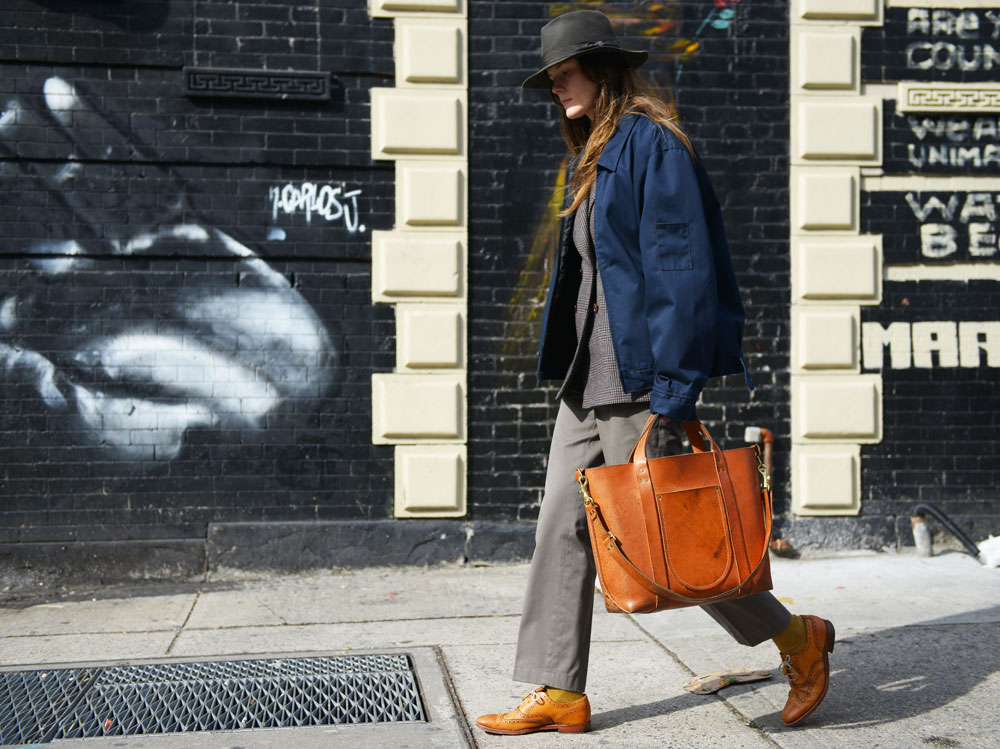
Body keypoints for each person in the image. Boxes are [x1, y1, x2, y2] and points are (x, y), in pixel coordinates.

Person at [475, 10, 835, 736]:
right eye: (550, 79)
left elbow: (681, 271)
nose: (556, 88)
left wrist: (675, 388)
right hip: (589, 377)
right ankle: (560, 689)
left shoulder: (653, 145)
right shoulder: (595, 152)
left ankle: (799, 638)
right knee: (560, 527)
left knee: (676, 542)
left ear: (602, 71)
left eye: (565, 75)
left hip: (641, 379)